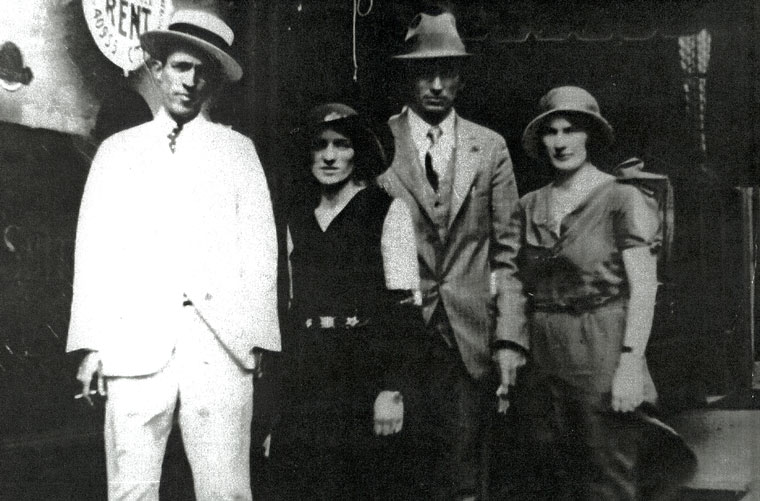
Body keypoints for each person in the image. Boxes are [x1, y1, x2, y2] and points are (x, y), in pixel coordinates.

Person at [66, 8, 280, 500]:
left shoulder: (238, 152)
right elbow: (96, 251)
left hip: (220, 345)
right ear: (157, 67)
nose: (191, 81)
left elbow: (260, 249)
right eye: (182, 67)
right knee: (131, 490)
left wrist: (256, 338)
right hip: (135, 343)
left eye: (204, 72)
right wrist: (92, 345)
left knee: (225, 490)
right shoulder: (118, 152)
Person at [497, 86, 695, 499]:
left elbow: (643, 288)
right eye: (550, 132)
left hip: (602, 343)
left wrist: (630, 364)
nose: (560, 141)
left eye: (571, 129)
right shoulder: (528, 205)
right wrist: (509, 343)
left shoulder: (622, 198)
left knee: (608, 469)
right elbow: (513, 279)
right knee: (551, 472)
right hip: (544, 349)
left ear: (590, 135)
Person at [376, 9, 520, 500]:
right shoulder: (377, 143)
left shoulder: (490, 147)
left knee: (463, 479)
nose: (436, 85)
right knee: (400, 475)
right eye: (424, 72)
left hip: (470, 340)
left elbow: (508, 255)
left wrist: (508, 341)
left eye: (448, 73)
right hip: (399, 340)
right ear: (407, 76)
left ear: (461, 77)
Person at [273, 102, 423, 499]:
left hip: (362, 373)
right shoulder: (297, 218)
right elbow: (288, 307)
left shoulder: (387, 212)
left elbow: (405, 308)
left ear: (359, 152)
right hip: (307, 375)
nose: (329, 155)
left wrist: (391, 390)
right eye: (320, 145)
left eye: (341, 144)